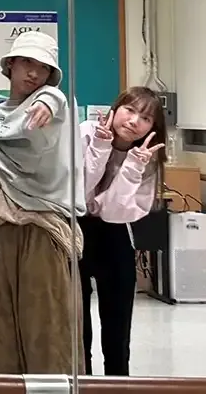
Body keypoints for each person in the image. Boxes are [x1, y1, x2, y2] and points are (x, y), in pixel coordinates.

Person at [0, 30, 86, 375]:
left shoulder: (53, 109)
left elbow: (57, 100)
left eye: (43, 67)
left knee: (49, 334)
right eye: (26, 62)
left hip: (43, 232)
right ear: (9, 65)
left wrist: (49, 98)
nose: (33, 73)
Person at [79, 87, 166, 376]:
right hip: (73, 229)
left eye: (145, 118)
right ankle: (82, 381)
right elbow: (78, 193)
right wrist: (101, 146)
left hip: (114, 234)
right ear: (115, 109)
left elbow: (114, 213)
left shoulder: (146, 158)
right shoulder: (86, 132)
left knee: (117, 327)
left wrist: (133, 166)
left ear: (152, 128)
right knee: (76, 324)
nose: (134, 121)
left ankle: (117, 383)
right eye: (130, 110)